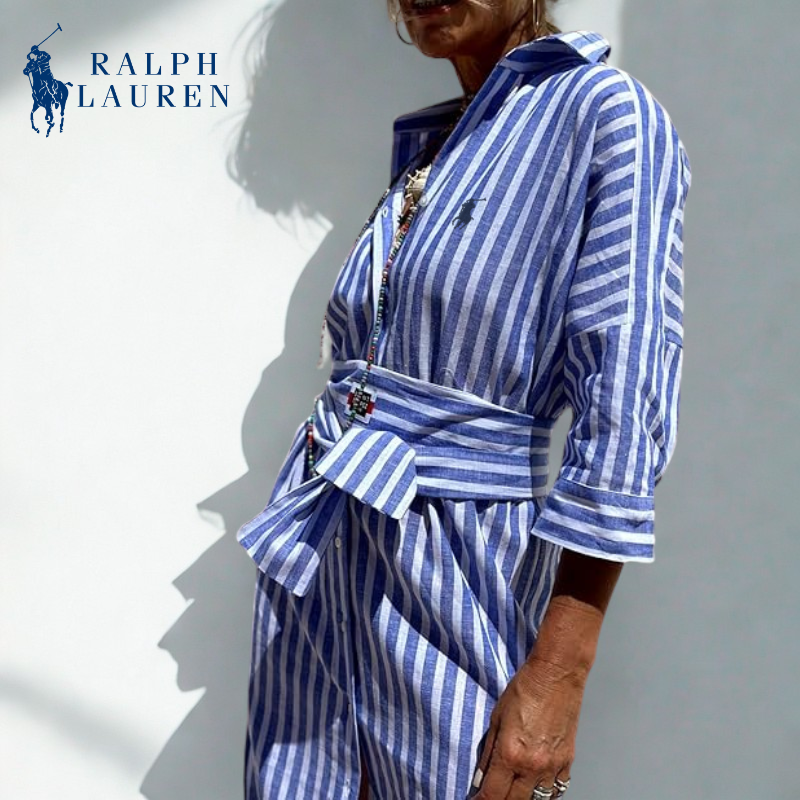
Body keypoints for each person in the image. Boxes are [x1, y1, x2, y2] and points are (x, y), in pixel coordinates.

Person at [236, 1, 691, 798]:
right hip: (324, 559)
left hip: (461, 571)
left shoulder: (606, 113)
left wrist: (559, 675)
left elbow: (625, 397)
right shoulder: (440, 142)